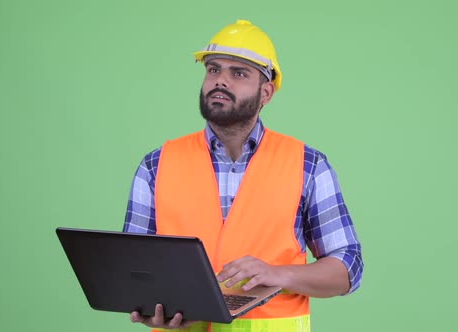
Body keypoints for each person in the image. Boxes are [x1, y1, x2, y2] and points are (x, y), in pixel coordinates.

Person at [123, 19, 363, 332]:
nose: (220, 81)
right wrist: (151, 305)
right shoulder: (155, 165)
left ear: (266, 92)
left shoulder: (308, 165)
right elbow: (131, 269)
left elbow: (348, 268)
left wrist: (279, 274)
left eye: (238, 73)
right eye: (213, 69)